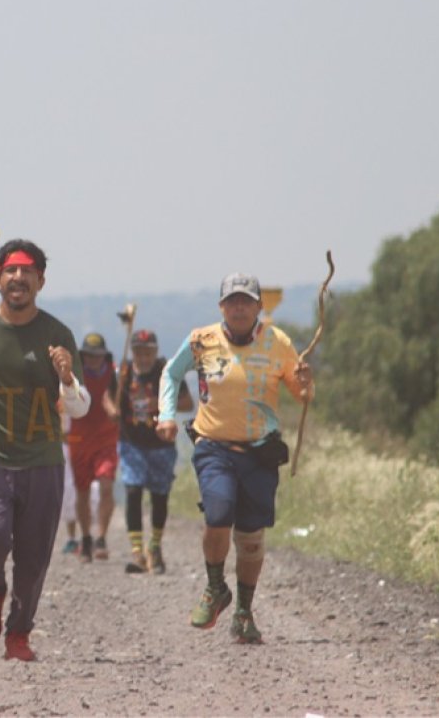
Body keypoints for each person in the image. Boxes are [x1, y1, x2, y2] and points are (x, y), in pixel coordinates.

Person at [0, 239, 90, 662]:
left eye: (28, 272)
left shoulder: (57, 335)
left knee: (33, 559)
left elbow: (80, 407)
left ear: (40, 281)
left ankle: (19, 635)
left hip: (42, 462)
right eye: (10, 270)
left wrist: (65, 377)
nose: (18, 278)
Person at [158, 273, 312, 644]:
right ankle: (215, 587)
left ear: (259, 307)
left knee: (251, 539)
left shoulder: (279, 343)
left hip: (260, 452)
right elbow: (171, 372)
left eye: (246, 301)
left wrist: (306, 383)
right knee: (217, 513)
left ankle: (243, 611)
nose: (239, 307)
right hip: (214, 447)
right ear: (221, 307)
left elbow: (301, 392)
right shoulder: (201, 340)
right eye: (232, 301)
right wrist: (166, 415)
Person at [117, 329, 193, 574]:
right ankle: (137, 552)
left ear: (155, 351)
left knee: (160, 495)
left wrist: (160, 403)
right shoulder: (124, 373)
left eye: (147, 351)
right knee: (133, 490)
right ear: (133, 352)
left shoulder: (165, 372)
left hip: (161, 444)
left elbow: (188, 403)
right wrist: (111, 409)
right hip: (131, 442)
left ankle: (155, 546)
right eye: (139, 351)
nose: (143, 357)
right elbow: (110, 398)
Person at [68, 332, 119, 563]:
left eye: (97, 356)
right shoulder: (73, 376)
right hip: (79, 440)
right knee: (83, 491)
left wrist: (116, 410)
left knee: (107, 485)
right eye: (89, 356)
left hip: (106, 439)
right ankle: (86, 537)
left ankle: (101, 537)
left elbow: (114, 397)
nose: (93, 360)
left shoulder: (114, 373)